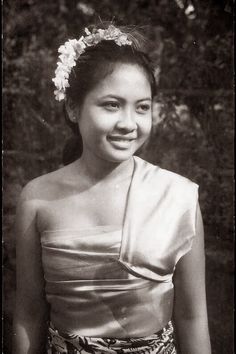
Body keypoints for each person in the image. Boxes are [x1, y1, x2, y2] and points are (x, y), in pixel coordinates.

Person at [12, 22, 211, 354]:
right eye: (111, 105)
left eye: (142, 107)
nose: (129, 123)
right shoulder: (38, 200)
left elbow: (192, 317)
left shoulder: (178, 198)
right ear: (74, 107)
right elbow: (29, 315)